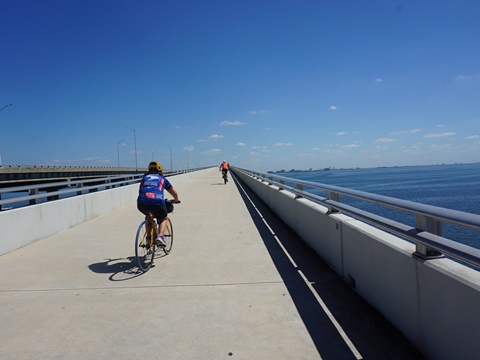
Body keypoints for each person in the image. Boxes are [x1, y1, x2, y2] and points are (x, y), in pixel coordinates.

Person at [137, 161, 180, 247]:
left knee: (148, 216)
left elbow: (140, 190)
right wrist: (176, 199)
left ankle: (148, 238)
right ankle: (160, 236)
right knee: (163, 218)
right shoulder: (162, 179)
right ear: (160, 170)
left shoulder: (144, 178)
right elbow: (173, 192)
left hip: (142, 202)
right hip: (157, 201)